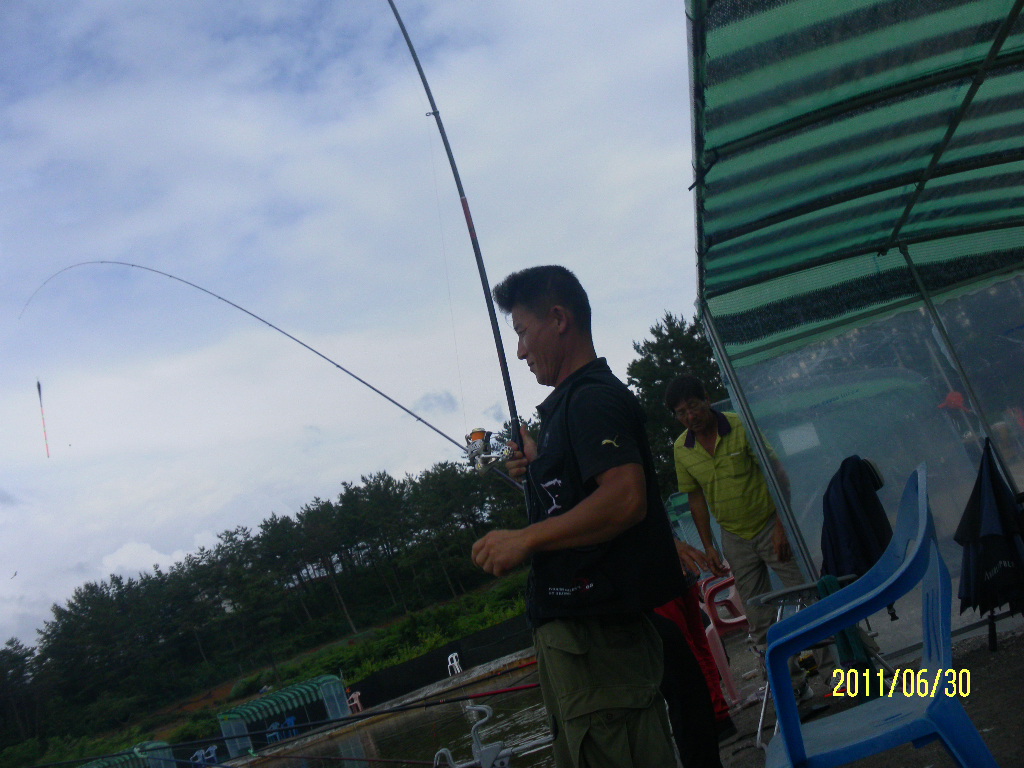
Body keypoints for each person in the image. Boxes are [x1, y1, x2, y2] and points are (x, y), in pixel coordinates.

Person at [472, 266, 721, 768]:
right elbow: (584, 501)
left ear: (558, 319)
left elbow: (625, 499)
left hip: (596, 640)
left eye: (522, 332)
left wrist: (524, 539)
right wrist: (541, 467)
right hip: (583, 641)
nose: (519, 351)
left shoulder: (592, 399)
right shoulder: (572, 406)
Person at [665, 374, 806, 654]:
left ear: (707, 399)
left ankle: (843, 667)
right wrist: (709, 546)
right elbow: (696, 498)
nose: (690, 416)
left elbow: (778, 473)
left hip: (769, 524)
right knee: (757, 613)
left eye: (693, 406)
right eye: (681, 413)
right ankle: (785, 675)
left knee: (807, 595)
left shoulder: (740, 425)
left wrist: (781, 526)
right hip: (734, 536)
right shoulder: (681, 448)